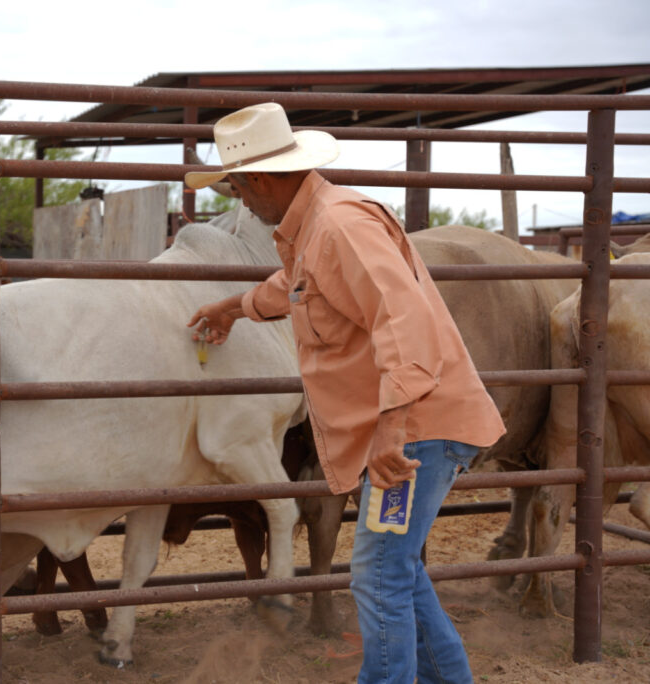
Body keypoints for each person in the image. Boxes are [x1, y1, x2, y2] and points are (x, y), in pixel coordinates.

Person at [186, 102, 505, 684]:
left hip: (415, 430)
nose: (241, 202)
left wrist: (391, 431)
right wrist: (234, 308)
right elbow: (298, 286)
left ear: (259, 178)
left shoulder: (340, 226)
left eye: (236, 187)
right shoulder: (317, 229)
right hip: (416, 425)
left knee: (378, 574)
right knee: (397, 570)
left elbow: (405, 324)